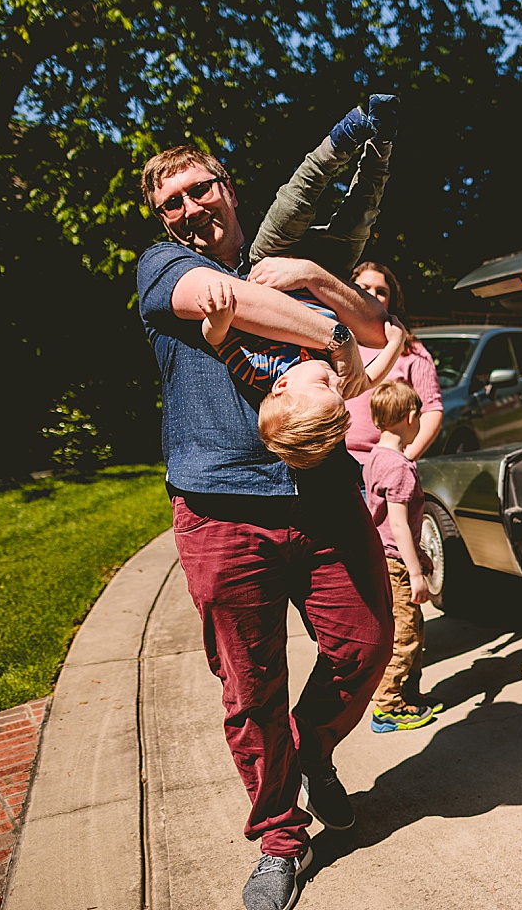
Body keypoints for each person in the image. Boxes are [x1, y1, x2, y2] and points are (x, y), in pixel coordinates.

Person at [136, 99, 398, 910]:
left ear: (227, 188)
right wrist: (334, 333)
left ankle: (311, 750)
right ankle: (281, 837)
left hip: (323, 498)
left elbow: (378, 319)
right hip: (221, 510)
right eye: (169, 201)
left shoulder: (285, 262)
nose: (186, 209)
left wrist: (322, 288)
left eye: (197, 189)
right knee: (251, 687)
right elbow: (250, 307)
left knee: (366, 643)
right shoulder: (161, 268)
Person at [196, 280, 406, 469]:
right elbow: (368, 379)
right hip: (320, 282)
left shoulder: (260, 369)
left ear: (282, 386)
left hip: (275, 275)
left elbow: (217, 339)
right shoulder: (328, 376)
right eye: (340, 391)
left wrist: (218, 322)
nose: (336, 380)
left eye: (324, 383)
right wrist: (397, 342)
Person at [361, 380, 440, 732]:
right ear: (411, 417)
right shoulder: (400, 467)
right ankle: (388, 708)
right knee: (404, 636)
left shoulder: (375, 457)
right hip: (397, 564)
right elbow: (399, 525)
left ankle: (408, 695)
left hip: (384, 557)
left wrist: (418, 558)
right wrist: (417, 572)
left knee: (414, 631)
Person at [344, 262, 444, 464]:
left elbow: (431, 411)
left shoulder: (410, 350)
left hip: (380, 466)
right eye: (362, 288)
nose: (371, 294)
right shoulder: (334, 340)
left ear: (392, 301)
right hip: (330, 465)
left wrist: (403, 459)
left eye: (381, 291)